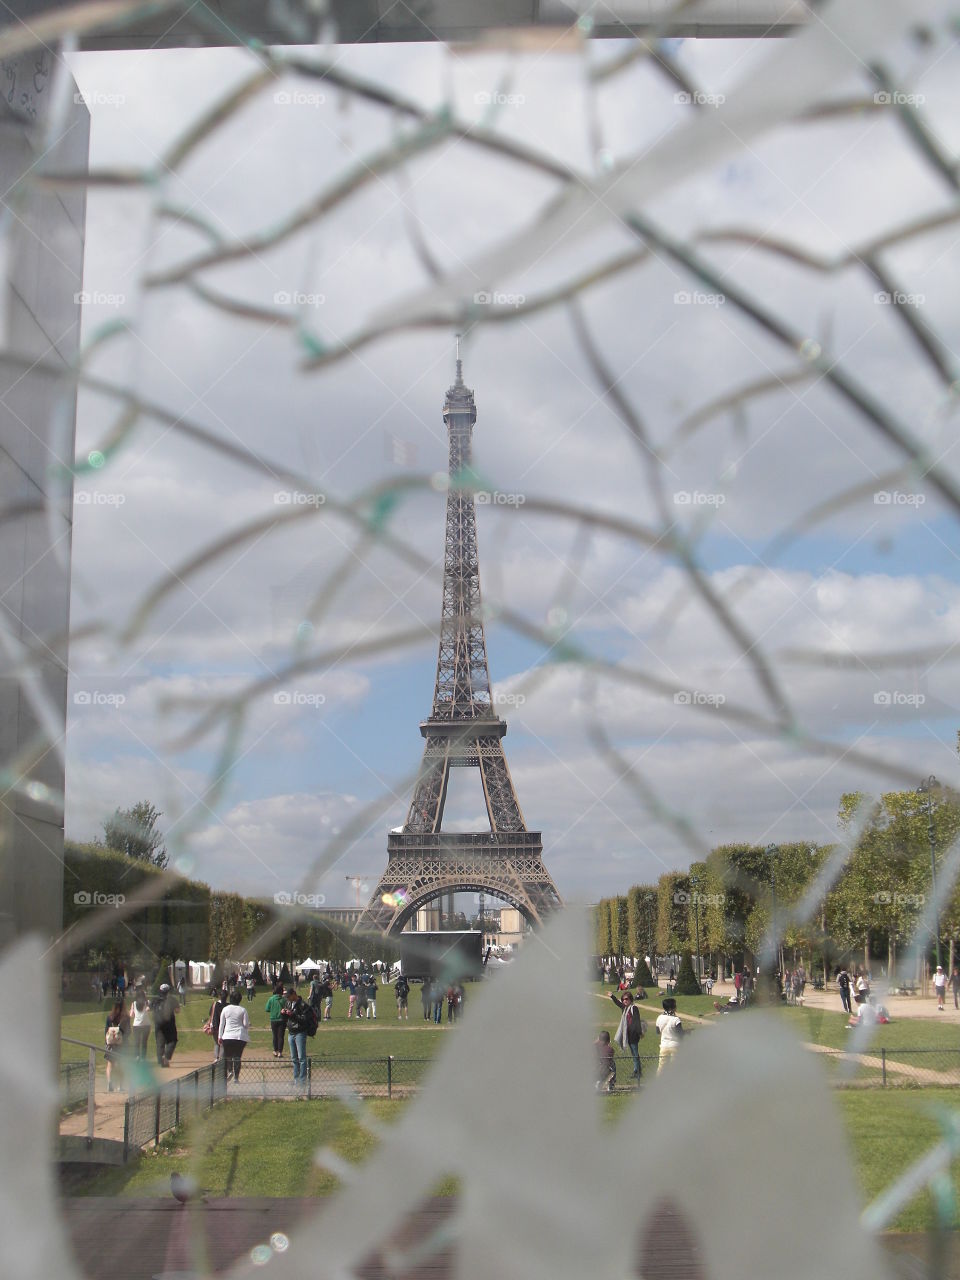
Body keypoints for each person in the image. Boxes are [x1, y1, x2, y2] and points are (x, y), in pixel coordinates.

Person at [281, 987, 310, 1095]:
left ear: (294, 994)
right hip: (291, 1032)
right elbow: (286, 1019)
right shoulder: (288, 1003)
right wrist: (283, 1014)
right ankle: (296, 1079)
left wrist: (292, 1015)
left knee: (301, 1057)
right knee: (294, 1058)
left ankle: (302, 1081)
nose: (287, 999)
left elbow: (305, 1020)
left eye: (288, 996)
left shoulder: (303, 1005)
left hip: (300, 1033)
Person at [218, 988, 250, 1082]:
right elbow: (245, 1024)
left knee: (228, 1056)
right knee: (237, 1057)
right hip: (240, 1036)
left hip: (227, 1036)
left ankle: (229, 1071)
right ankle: (236, 1077)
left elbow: (222, 1024)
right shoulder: (243, 1010)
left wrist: (220, 1036)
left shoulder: (225, 1009)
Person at [610, 989, 644, 1079]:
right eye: (623, 999)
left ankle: (637, 1072)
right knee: (634, 1054)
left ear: (630, 1000)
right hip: (627, 1034)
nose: (624, 1001)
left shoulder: (633, 1008)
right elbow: (618, 1003)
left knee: (635, 1053)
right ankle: (637, 1070)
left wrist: (640, 1033)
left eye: (626, 999)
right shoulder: (624, 1008)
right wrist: (612, 996)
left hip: (633, 1035)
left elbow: (637, 1021)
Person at [104, 998, 130, 1092]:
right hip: (121, 1045)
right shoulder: (126, 1018)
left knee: (110, 1064)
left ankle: (110, 1082)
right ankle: (120, 1086)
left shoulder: (109, 1017)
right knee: (121, 1065)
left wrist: (107, 1042)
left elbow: (106, 1031)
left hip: (110, 1044)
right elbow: (128, 1032)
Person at [152, 984, 179, 1067]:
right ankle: (166, 1057)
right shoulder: (172, 999)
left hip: (158, 1023)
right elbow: (178, 1011)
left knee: (160, 1042)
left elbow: (148, 1008)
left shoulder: (156, 999)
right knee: (172, 1040)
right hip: (169, 1023)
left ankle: (160, 1060)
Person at [655, 997, 683, 1074]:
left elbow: (658, 1031)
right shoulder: (676, 1019)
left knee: (661, 1067)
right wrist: (687, 1032)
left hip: (663, 1045)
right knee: (675, 1067)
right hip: (675, 1045)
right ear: (672, 1007)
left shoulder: (659, 1017)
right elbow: (680, 1034)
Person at [128, 987, 152, 1061]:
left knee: (137, 1042)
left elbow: (131, 1015)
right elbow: (148, 1009)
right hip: (146, 1024)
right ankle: (143, 1058)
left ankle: (137, 1056)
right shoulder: (147, 1002)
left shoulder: (134, 1003)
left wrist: (133, 1012)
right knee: (144, 1042)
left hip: (137, 1025)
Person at [265, 982, 285, 1057]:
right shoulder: (283, 999)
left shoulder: (271, 999)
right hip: (282, 1019)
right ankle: (280, 1052)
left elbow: (267, 1009)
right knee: (281, 1036)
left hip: (273, 1019)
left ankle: (275, 1050)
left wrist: (273, 1010)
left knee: (275, 1035)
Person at [207, 987, 226, 1062]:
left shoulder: (214, 1004)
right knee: (223, 1044)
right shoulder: (227, 1005)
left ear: (219, 996)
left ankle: (216, 1058)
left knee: (216, 1043)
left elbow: (210, 1013)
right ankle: (222, 1059)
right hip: (224, 1027)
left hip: (215, 1026)